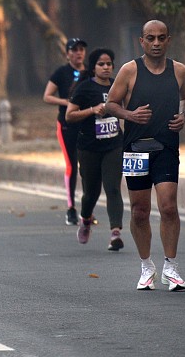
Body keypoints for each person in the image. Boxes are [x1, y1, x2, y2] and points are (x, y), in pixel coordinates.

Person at [105, 20, 185, 291]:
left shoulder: (179, 71)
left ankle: (171, 266)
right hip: (135, 148)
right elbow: (110, 104)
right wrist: (129, 115)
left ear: (168, 40)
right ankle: (146, 266)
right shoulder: (130, 70)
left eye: (161, 38)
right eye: (150, 38)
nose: (156, 43)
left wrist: (183, 117)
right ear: (141, 41)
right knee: (140, 211)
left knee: (168, 206)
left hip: (166, 147)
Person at [65, 48, 124, 251]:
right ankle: (86, 219)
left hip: (114, 145)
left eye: (109, 64)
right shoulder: (84, 88)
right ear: (93, 67)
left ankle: (115, 233)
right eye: (101, 64)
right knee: (91, 192)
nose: (106, 67)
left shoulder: (118, 86)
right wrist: (92, 110)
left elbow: (127, 108)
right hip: (89, 147)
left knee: (113, 188)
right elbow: (69, 115)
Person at [43, 38, 88, 225]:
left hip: (86, 124)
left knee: (88, 167)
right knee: (71, 164)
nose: (78, 53)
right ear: (67, 53)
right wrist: (67, 103)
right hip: (67, 125)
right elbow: (47, 96)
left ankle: (88, 210)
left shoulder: (90, 73)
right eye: (74, 50)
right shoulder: (61, 73)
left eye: (81, 50)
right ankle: (71, 208)